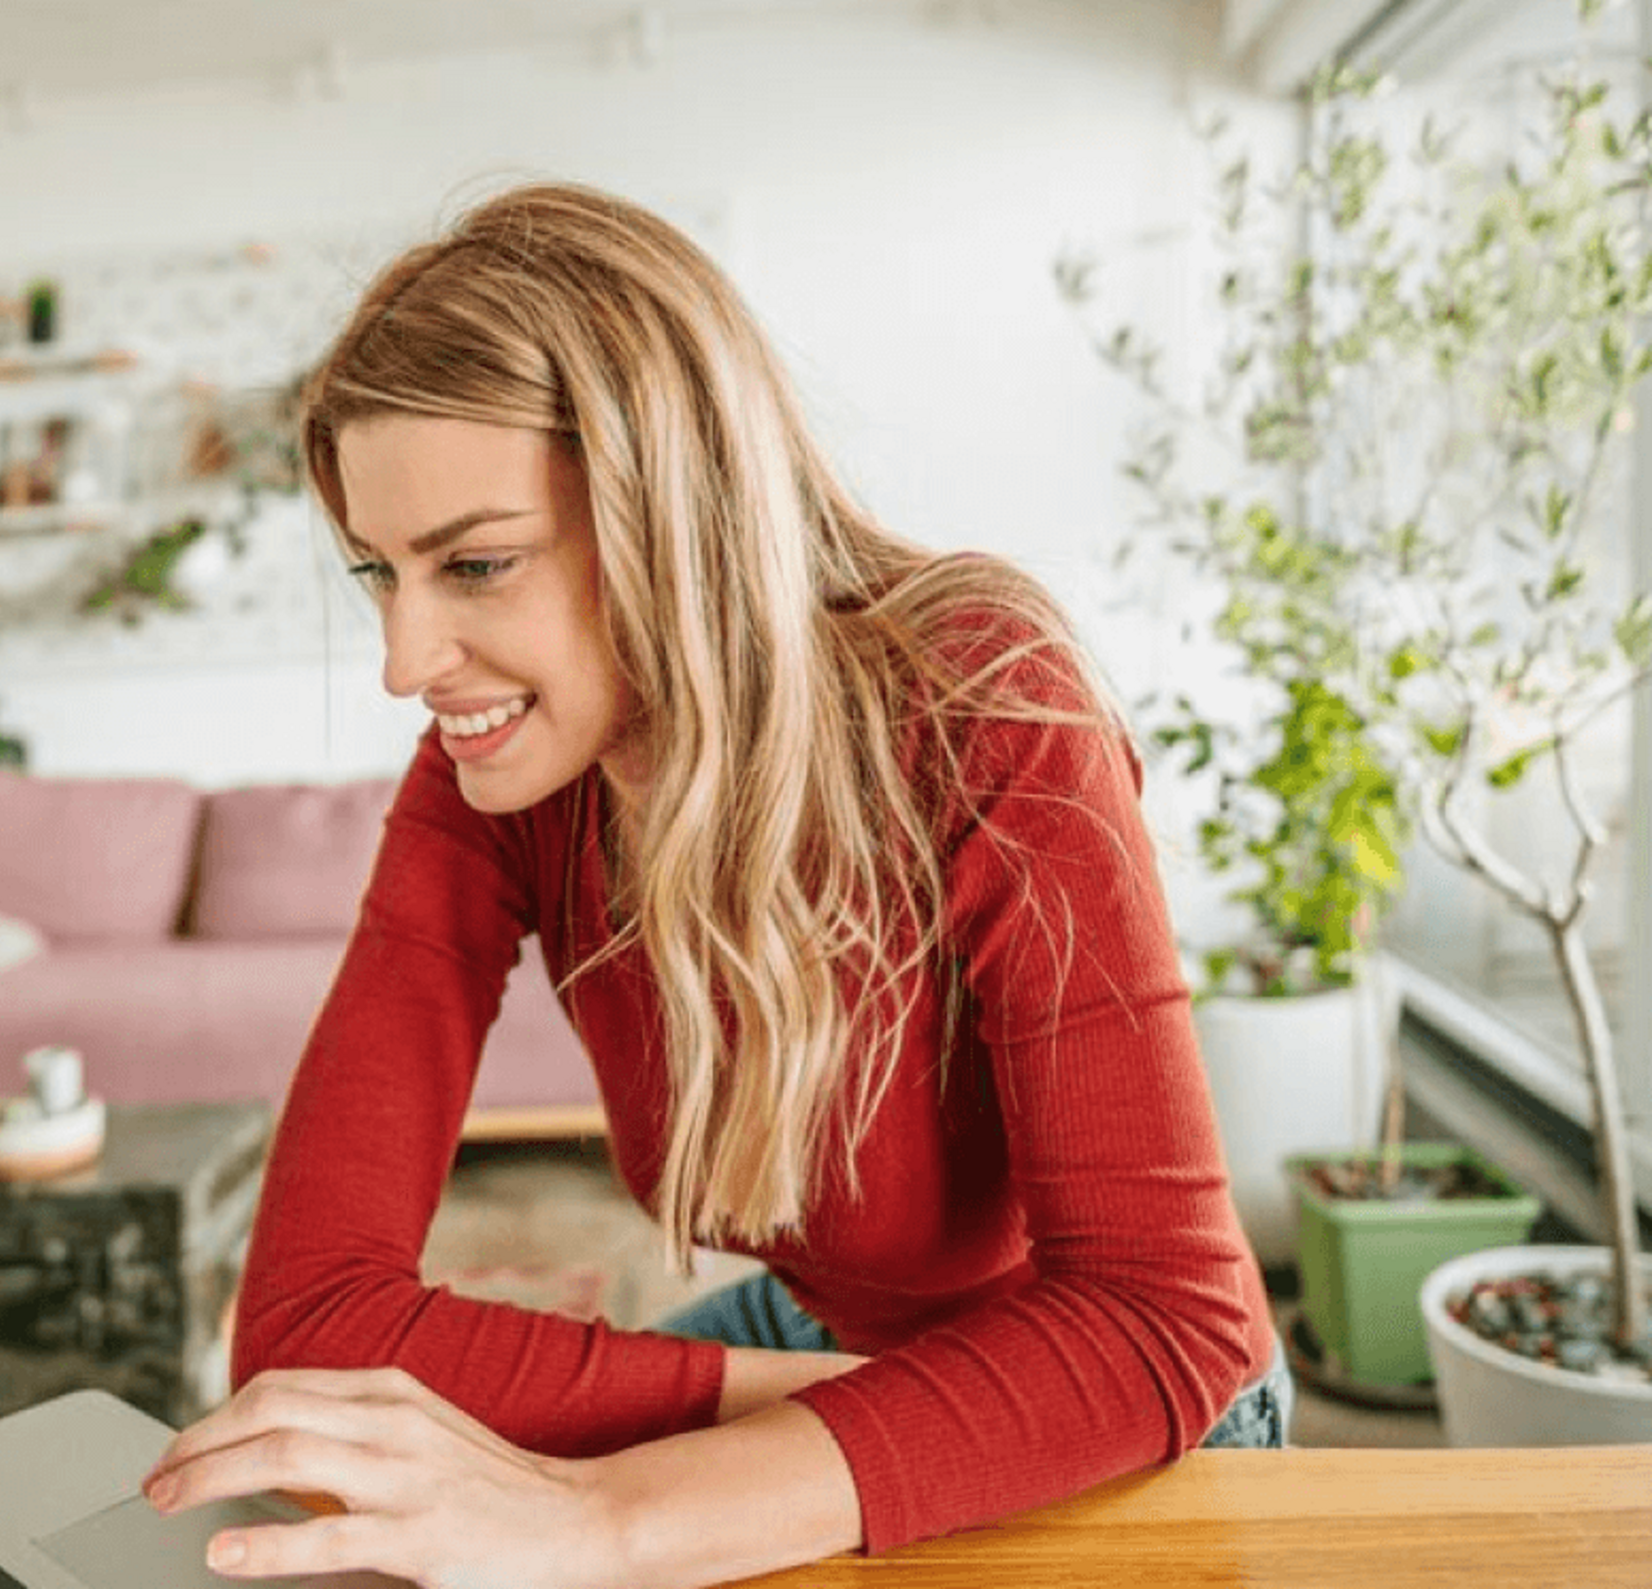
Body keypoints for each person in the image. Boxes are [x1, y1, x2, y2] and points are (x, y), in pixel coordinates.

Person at [139, 181, 1290, 1588]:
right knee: (353, 1484)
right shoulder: (497, 773)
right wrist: (796, 1430)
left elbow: (1160, 1320)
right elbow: (311, 1327)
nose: (404, 658)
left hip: (1134, 1423)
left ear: (672, 515)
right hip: (822, 1358)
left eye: (478, 565)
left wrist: (609, 1513)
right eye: (381, 575)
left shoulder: (984, 702)